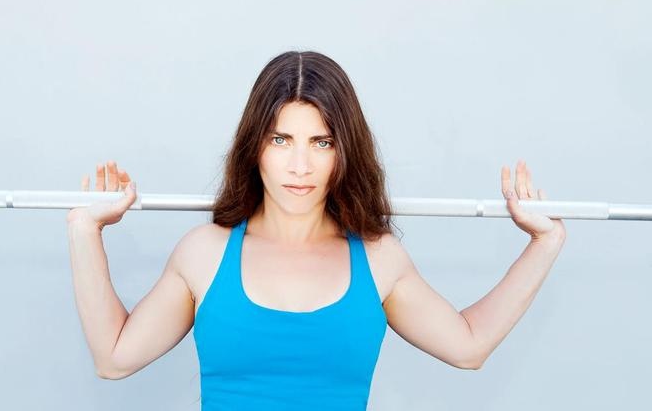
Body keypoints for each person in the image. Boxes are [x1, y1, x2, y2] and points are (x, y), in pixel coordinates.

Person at [65, 51, 567, 410]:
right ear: (255, 147)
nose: (300, 165)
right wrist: (85, 230)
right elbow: (114, 358)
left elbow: (469, 346)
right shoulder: (204, 254)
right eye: (281, 139)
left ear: (344, 151)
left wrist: (546, 242)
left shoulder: (379, 259)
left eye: (321, 142)